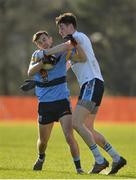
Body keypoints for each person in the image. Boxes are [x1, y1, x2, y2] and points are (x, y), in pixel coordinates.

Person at [41, 13, 127, 175]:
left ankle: (100, 160)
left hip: (91, 83)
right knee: (87, 128)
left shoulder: (77, 37)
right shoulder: (73, 45)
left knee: (75, 123)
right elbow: (64, 66)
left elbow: (67, 48)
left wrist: (45, 52)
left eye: (61, 27)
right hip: (93, 85)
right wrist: (40, 80)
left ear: (70, 25)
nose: (60, 31)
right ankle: (116, 158)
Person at [25, 30, 84, 174]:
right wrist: (42, 62)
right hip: (45, 104)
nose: (43, 43)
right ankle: (41, 157)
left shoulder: (62, 52)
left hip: (62, 101)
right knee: (43, 142)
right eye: (40, 42)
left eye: (45, 39)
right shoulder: (36, 55)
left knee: (69, 136)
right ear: (38, 46)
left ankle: (79, 169)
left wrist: (76, 44)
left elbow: (81, 57)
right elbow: (30, 72)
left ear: (50, 39)